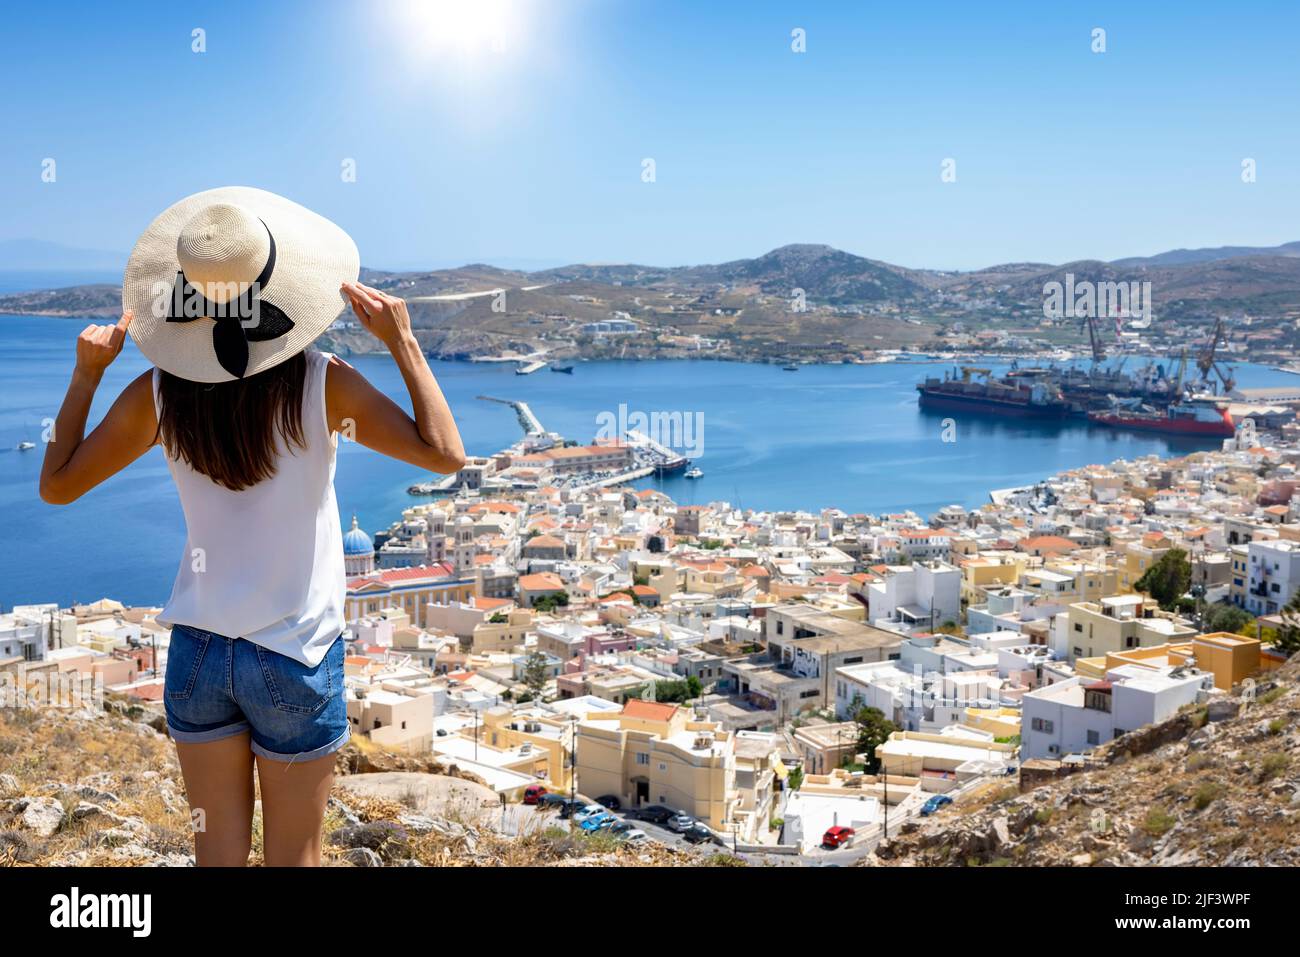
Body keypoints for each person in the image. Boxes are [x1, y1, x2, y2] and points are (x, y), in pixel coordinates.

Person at [39, 187, 466, 865]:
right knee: (292, 859)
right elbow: (445, 453)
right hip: (294, 654)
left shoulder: (156, 394)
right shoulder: (323, 384)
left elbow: (57, 484)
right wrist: (403, 341)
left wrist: (87, 375)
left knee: (216, 857)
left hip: (199, 652)